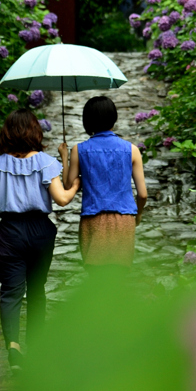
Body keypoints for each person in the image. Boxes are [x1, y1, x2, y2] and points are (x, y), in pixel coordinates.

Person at [0, 109, 79, 370]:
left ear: (7, 133)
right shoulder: (47, 163)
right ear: (34, 131)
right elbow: (61, 199)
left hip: (10, 230)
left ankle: (13, 347)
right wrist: (75, 184)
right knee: (37, 290)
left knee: (11, 291)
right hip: (40, 230)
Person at [61, 96, 148, 270]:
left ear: (88, 121)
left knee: (95, 277)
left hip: (92, 219)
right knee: (119, 277)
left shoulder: (79, 150)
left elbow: (68, 185)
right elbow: (143, 194)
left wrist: (65, 158)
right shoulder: (132, 150)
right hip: (124, 219)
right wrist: (137, 215)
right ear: (113, 118)